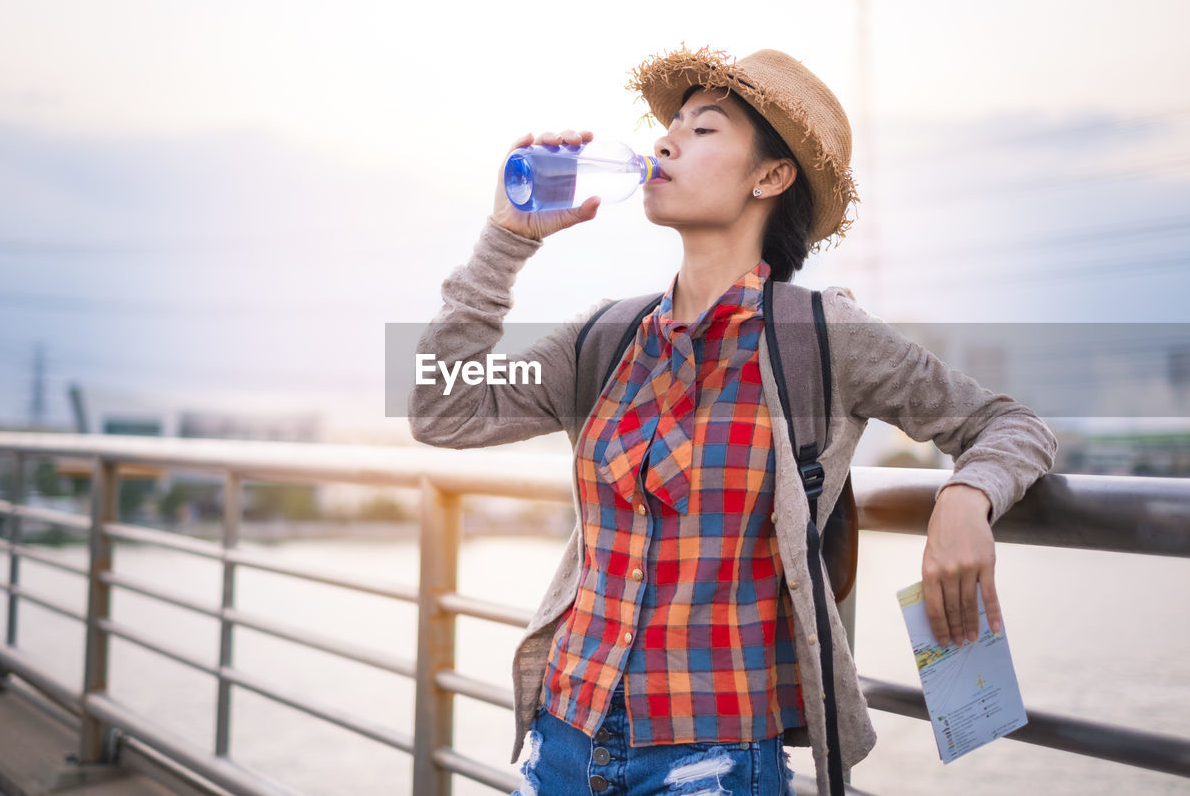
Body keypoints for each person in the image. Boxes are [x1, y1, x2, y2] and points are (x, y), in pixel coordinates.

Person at [408, 47, 1057, 796]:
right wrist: (507, 239)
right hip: (560, 741)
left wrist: (964, 498)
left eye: (704, 129)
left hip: (713, 764)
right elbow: (440, 408)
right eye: (670, 126)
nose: (664, 143)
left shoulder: (821, 336)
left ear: (771, 176)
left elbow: (1008, 424)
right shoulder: (605, 339)